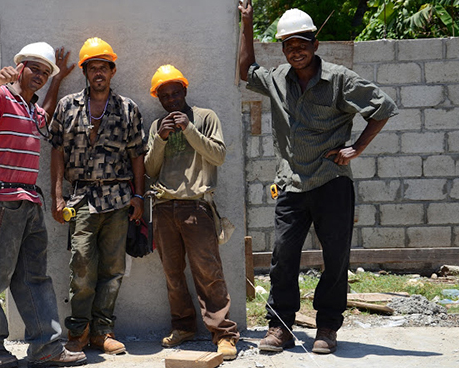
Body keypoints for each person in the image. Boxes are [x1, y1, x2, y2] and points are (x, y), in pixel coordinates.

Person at [238, 4, 398, 354]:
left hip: (332, 182)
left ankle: (326, 327)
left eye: (301, 43)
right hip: (291, 184)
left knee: (335, 257)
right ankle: (280, 328)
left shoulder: (340, 79)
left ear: (315, 43)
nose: (296, 50)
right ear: (282, 49)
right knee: (283, 257)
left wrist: (357, 147)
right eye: (288, 45)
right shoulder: (278, 78)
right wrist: (246, 22)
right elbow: (246, 70)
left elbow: (383, 107)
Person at [0, 42, 86, 368]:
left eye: (45, 73)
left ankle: (46, 348)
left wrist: (58, 80)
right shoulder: (2, 97)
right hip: (2, 202)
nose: (41, 76)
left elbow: (43, 113)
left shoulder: (32, 110)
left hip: (30, 203)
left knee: (35, 278)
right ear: (20, 66)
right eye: (36, 69)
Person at [49, 37, 146, 356]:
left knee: (113, 269)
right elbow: (57, 152)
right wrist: (57, 196)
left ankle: (102, 332)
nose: (98, 72)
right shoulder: (67, 107)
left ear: (112, 70)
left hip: (118, 199)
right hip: (80, 199)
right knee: (81, 266)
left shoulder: (127, 108)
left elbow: (137, 155)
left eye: (103, 67)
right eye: (92, 67)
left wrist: (138, 195)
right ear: (85, 72)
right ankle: (78, 332)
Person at [144, 65, 240, 360]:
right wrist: (160, 139)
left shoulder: (205, 117)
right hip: (163, 207)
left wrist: (188, 128)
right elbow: (149, 169)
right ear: (159, 98)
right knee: (173, 273)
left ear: (185, 91)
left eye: (175, 92)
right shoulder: (156, 126)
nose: (171, 99)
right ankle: (184, 326)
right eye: (165, 95)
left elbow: (218, 156)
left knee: (208, 272)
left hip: (196, 206)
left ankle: (224, 334)